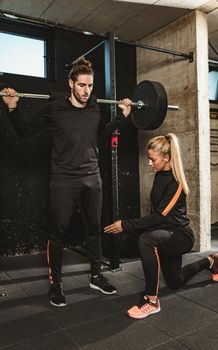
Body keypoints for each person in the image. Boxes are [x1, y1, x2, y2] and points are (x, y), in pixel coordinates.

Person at [1, 57, 132, 307]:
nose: (87, 91)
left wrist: (123, 118)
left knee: (94, 229)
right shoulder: (55, 108)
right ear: (71, 83)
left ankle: (95, 275)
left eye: (90, 86)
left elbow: (103, 134)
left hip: (92, 177)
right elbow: (24, 131)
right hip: (63, 180)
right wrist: (12, 108)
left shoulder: (95, 107)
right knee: (58, 233)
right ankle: (56, 284)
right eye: (82, 85)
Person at [104, 133, 218, 319]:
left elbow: (159, 217)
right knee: (176, 281)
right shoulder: (159, 175)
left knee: (146, 239)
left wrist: (125, 225)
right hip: (165, 235)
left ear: (166, 158)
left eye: (153, 160)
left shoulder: (175, 183)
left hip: (180, 236)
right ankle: (211, 261)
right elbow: (158, 218)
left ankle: (152, 301)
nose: (150, 163)